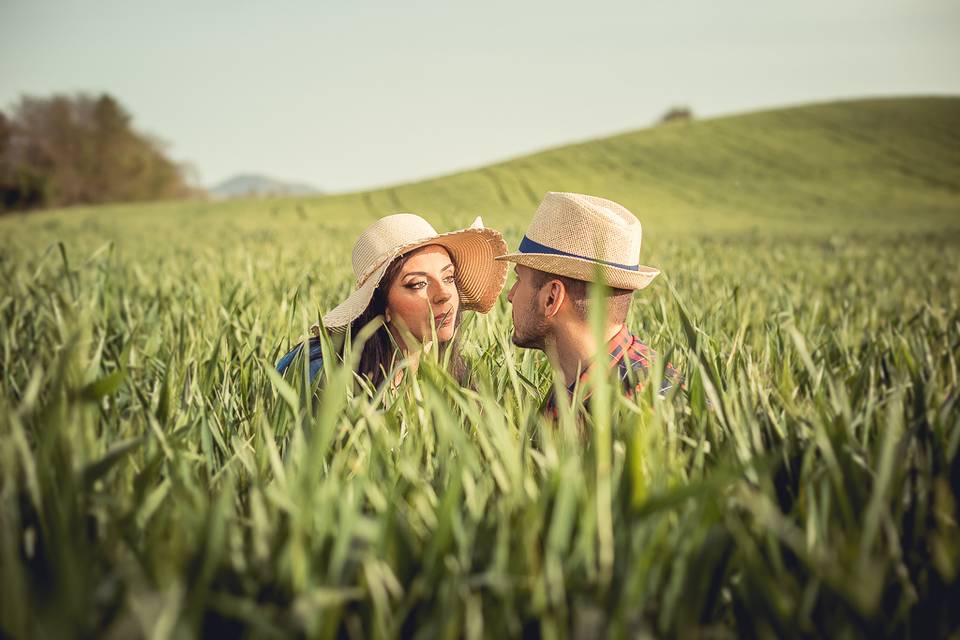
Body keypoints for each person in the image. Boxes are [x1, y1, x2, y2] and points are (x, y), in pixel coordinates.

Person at [496, 192, 678, 415]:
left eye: (519, 279)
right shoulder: (572, 387)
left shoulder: (648, 407)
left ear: (551, 298)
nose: (511, 295)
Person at [277, 213, 507, 389]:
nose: (444, 294)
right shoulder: (321, 371)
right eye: (418, 284)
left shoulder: (457, 377)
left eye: (448, 277)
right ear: (381, 305)